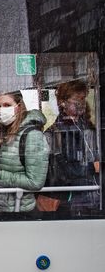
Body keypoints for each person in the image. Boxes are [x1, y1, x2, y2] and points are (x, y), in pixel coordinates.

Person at [0, 91, 49, 213]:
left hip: (19, 211)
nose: (1, 110)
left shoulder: (32, 135)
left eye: (7, 105)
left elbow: (35, 182)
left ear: (19, 107)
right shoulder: (0, 133)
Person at [44, 80, 100, 212]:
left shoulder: (88, 127)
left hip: (93, 194)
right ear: (62, 102)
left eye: (83, 98)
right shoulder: (54, 133)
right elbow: (59, 169)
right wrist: (92, 167)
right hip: (70, 198)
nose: (81, 103)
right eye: (76, 99)